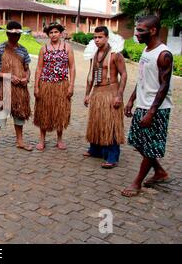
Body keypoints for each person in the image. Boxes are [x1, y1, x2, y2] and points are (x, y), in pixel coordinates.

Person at [122, 15, 173, 197]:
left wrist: (151, 112)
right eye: (137, 29)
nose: (137, 33)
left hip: (157, 108)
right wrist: (131, 99)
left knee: (150, 145)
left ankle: (137, 182)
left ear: (153, 30)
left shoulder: (163, 54)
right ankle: (159, 172)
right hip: (142, 105)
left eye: (141, 30)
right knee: (137, 142)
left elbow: (164, 86)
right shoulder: (146, 50)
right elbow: (143, 78)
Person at [83, 26, 127, 168]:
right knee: (96, 122)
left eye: (100, 37)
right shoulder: (94, 54)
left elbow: (124, 75)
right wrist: (87, 94)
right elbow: (91, 76)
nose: (97, 40)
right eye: (95, 37)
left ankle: (112, 156)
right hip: (97, 92)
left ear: (107, 37)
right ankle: (95, 150)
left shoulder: (115, 54)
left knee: (111, 124)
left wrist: (119, 95)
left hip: (111, 92)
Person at [0, 21, 33, 154]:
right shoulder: (0, 48)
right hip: (4, 88)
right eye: (12, 34)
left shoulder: (23, 50)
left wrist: (26, 78)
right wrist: (9, 76)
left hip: (20, 88)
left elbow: (27, 69)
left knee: (20, 114)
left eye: (17, 34)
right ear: (7, 33)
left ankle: (20, 141)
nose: (15, 37)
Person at [33, 22, 75, 151]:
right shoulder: (44, 49)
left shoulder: (67, 47)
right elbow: (39, 68)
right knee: (44, 111)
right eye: (51, 33)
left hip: (62, 84)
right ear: (48, 34)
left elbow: (72, 67)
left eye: (56, 32)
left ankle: (60, 139)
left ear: (60, 33)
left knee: (60, 112)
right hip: (46, 84)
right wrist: (36, 86)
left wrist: (71, 86)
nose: (53, 34)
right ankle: (42, 139)